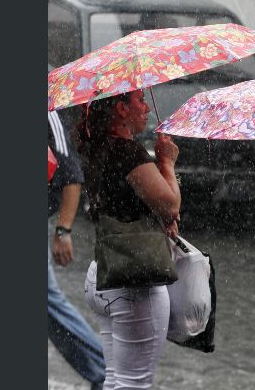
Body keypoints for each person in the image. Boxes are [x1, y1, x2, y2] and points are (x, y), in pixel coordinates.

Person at [76, 89, 182, 390]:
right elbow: (170, 205)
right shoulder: (127, 152)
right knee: (134, 383)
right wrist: (168, 162)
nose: (147, 108)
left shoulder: (99, 148)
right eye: (140, 101)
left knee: (115, 379)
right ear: (121, 109)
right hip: (133, 282)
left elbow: (132, 204)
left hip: (103, 274)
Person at [48, 111, 106, 390]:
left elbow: (70, 173)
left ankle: (103, 372)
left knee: (47, 302)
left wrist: (63, 230)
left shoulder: (47, 112)